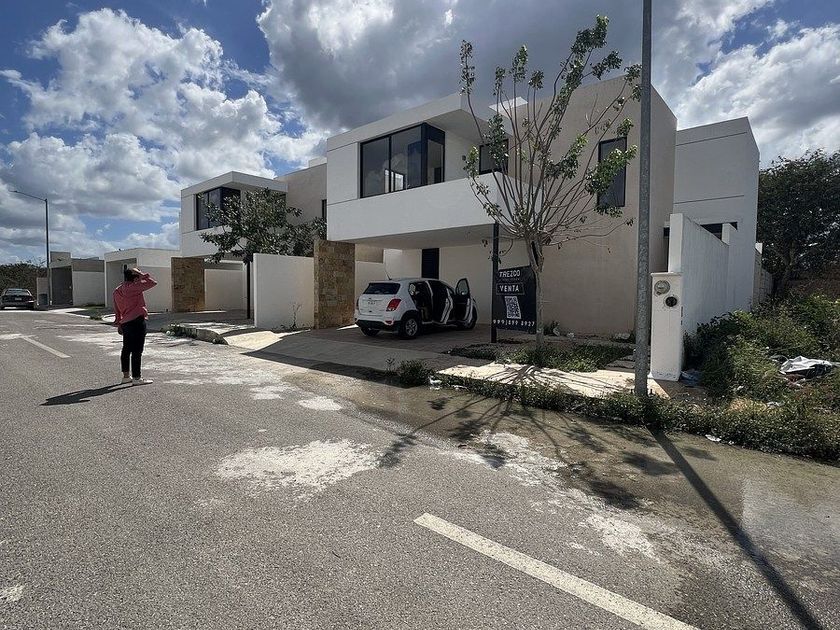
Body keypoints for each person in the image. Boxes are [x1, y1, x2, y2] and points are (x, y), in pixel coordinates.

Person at [113, 267, 157, 385]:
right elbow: (152, 283)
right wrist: (141, 274)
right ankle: (137, 378)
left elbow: (117, 310)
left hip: (125, 322)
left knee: (126, 349)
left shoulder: (117, 290)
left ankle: (126, 376)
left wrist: (119, 323)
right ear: (135, 278)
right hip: (137, 321)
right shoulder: (134, 287)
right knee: (137, 350)